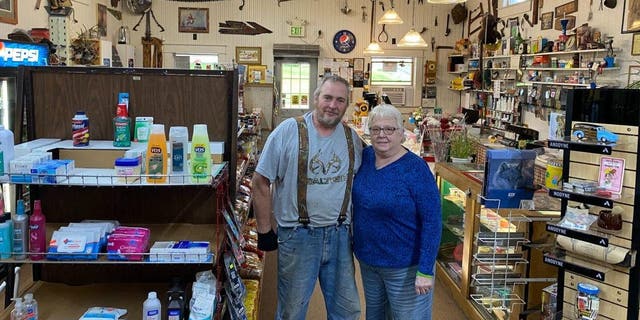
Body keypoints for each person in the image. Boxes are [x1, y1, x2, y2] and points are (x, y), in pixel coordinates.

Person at [252, 75, 362, 320]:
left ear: (347, 105)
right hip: (297, 237)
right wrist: (264, 230)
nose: (333, 105)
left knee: (348, 312)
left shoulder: (352, 138)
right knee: (292, 311)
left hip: (340, 237)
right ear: (316, 99)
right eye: (328, 97)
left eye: (340, 100)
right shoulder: (287, 132)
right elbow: (260, 181)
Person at [352, 104, 442, 320]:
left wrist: (425, 270)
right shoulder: (365, 158)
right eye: (376, 129)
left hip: (406, 267)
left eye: (389, 129)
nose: (382, 135)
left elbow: (432, 221)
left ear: (402, 133)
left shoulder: (415, 169)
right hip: (369, 262)